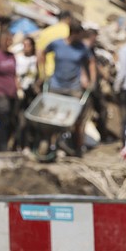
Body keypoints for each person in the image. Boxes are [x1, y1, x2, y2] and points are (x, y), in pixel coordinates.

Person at [39, 21, 96, 157]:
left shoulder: (82, 48)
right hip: (56, 85)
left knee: (76, 119)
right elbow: (42, 53)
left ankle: (76, 148)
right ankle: (49, 143)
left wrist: (91, 80)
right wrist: (42, 73)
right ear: (74, 34)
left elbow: (91, 62)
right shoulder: (57, 44)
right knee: (50, 118)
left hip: (73, 87)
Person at [14, 36, 39, 151]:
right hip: (21, 93)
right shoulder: (19, 58)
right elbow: (15, 75)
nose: (26, 48)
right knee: (20, 120)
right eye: (24, 45)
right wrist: (18, 87)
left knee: (32, 121)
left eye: (28, 45)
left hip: (32, 93)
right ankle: (19, 144)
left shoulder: (36, 59)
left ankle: (30, 145)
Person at [36, 10, 72, 81]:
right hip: (62, 74)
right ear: (68, 19)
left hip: (45, 73)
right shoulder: (69, 32)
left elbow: (39, 54)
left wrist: (41, 74)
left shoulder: (45, 32)